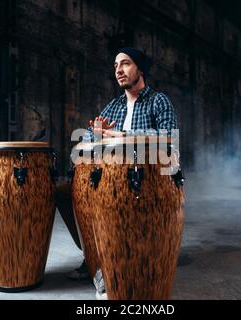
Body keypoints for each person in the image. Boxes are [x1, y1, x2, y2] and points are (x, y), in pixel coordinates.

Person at [55, 47, 179, 300]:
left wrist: (123, 136)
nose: (119, 71)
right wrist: (97, 134)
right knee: (63, 193)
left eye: (125, 64)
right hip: (109, 176)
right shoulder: (114, 105)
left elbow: (169, 138)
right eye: (115, 66)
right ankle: (94, 257)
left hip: (148, 178)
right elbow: (90, 137)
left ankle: (126, 271)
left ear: (140, 69)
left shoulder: (158, 100)